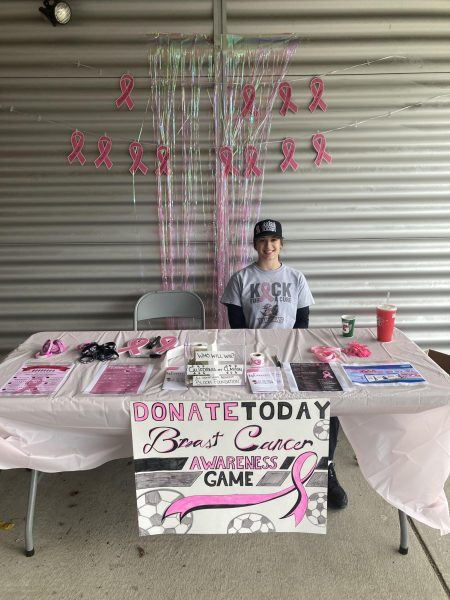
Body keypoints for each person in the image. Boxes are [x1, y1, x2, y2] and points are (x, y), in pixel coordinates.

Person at [220, 218, 348, 509]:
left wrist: (290, 355)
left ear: (281, 244)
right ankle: (256, 467)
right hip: (253, 355)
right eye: (262, 241)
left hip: (293, 353)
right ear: (255, 245)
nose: (268, 246)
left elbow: (302, 324)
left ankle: (324, 468)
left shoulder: (296, 278)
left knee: (329, 400)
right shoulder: (240, 279)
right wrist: (260, 356)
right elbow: (238, 328)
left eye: (274, 240)